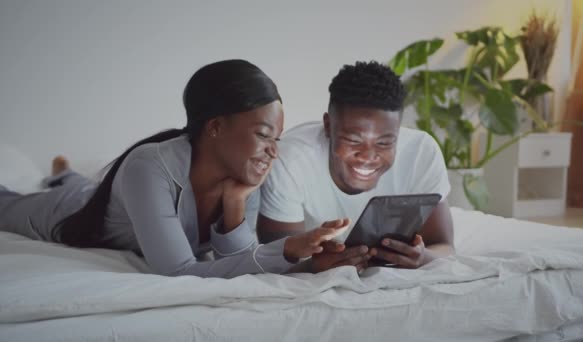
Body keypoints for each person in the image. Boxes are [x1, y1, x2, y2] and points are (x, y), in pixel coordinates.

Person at [0, 59, 348, 279]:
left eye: (278, 138)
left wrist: (235, 202)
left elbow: (238, 262)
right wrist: (286, 250)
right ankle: (63, 177)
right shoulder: (148, 165)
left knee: (84, 183)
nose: (274, 151)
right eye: (263, 135)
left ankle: (64, 171)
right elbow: (179, 270)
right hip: (70, 210)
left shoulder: (243, 174)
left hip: (107, 194)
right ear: (214, 127)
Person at [257, 61, 455, 273]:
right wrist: (313, 266)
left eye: (384, 143)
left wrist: (423, 257)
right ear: (328, 126)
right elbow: (275, 261)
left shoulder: (421, 151)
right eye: (353, 140)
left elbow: (445, 247)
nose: (368, 157)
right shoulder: (290, 159)